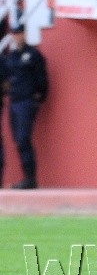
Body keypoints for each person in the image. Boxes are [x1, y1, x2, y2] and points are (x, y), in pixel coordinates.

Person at [2, 26, 47, 189]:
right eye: (14, 34)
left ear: (25, 34)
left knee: (22, 139)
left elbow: (42, 77)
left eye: (19, 34)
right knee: (18, 139)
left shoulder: (33, 55)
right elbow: (6, 77)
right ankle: (27, 178)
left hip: (27, 101)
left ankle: (30, 178)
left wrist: (39, 96)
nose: (16, 37)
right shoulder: (11, 57)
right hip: (14, 101)